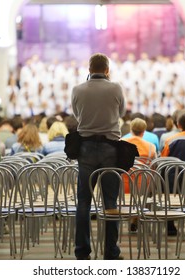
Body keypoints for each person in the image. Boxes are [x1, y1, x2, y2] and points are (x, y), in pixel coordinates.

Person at [71, 53, 125, 260]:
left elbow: (77, 115)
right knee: (110, 201)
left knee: (83, 201)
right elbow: (120, 112)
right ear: (107, 70)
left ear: (89, 69)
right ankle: (111, 252)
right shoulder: (116, 88)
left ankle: (82, 252)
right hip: (110, 148)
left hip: (85, 148)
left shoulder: (78, 89)